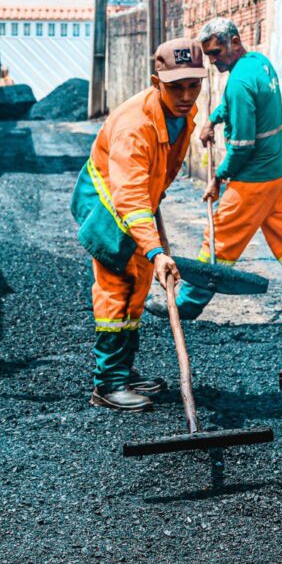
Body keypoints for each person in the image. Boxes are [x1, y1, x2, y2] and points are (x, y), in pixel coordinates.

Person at [150, 17, 282, 323]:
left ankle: (187, 304)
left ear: (234, 42)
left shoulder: (239, 83)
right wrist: (213, 119)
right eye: (209, 55)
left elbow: (242, 146)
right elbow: (240, 105)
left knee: (217, 240)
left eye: (216, 52)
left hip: (254, 182)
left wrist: (218, 177)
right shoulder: (259, 64)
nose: (213, 60)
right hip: (279, 174)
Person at [69, 38, 206, 411]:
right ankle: (107, 385)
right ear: (155, 80)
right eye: (176, 86)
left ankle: (123, 372)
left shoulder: (184, 113)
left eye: (194, 84)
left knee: (141, 281)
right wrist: (157, 249)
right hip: (109, 204)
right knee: (119, 285)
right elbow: (128, 196)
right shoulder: (135, 127)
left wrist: (153, 247)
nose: (186, 95)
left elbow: (158, 174)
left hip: (140, 201)